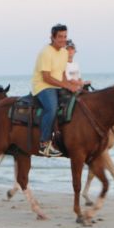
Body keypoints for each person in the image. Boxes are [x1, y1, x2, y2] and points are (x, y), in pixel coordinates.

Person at [31, 25, 84, 157]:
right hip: (43, 86)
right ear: (52, 37)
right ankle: (44, 144)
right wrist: (66, 86)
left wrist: (71, 86)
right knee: (52, 108)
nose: (63, 39)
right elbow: (46, 77)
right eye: (60, 37)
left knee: (77, 101)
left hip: (57, 85)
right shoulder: (46, 52)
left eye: (65, 36)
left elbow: (62, 74)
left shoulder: (64, 52)